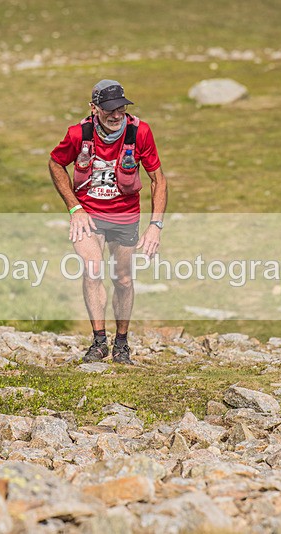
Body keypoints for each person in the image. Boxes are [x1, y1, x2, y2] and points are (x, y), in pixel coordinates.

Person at [49, 79, 168, 365]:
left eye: (122, 109)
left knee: (123, 279)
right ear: (94, 108)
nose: (116, 115)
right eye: (109, 109)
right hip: (88, 214)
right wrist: (74, 208)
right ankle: (99, 341)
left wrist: (155, 226)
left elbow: (158, 180)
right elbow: (55, 163)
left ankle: (122, 344)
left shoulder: (140, 133)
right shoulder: (78, 134)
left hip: (125, 215)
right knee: (92, 270)